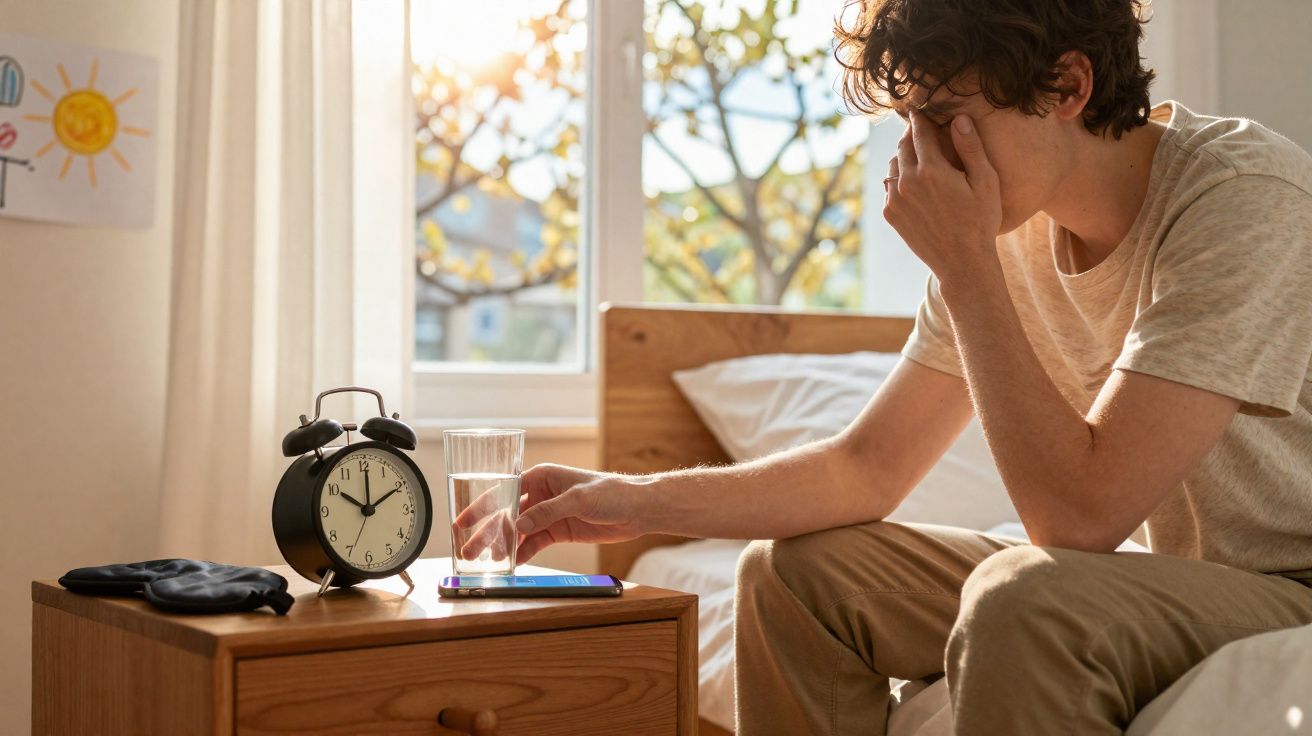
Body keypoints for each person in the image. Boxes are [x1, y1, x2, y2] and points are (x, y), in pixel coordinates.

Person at [458, 0, 1312, 732]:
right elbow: (862, 469)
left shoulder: (1241, 197)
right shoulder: (1005, 232)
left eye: (943, 119)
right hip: (1169, 579)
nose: (919, 161)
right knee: (790, 575)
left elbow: (1078, 523)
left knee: (1026, 595)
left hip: (1289, 586)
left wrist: (969, 269)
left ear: (1068, 87)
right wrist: (630, 500)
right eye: (908, 124)